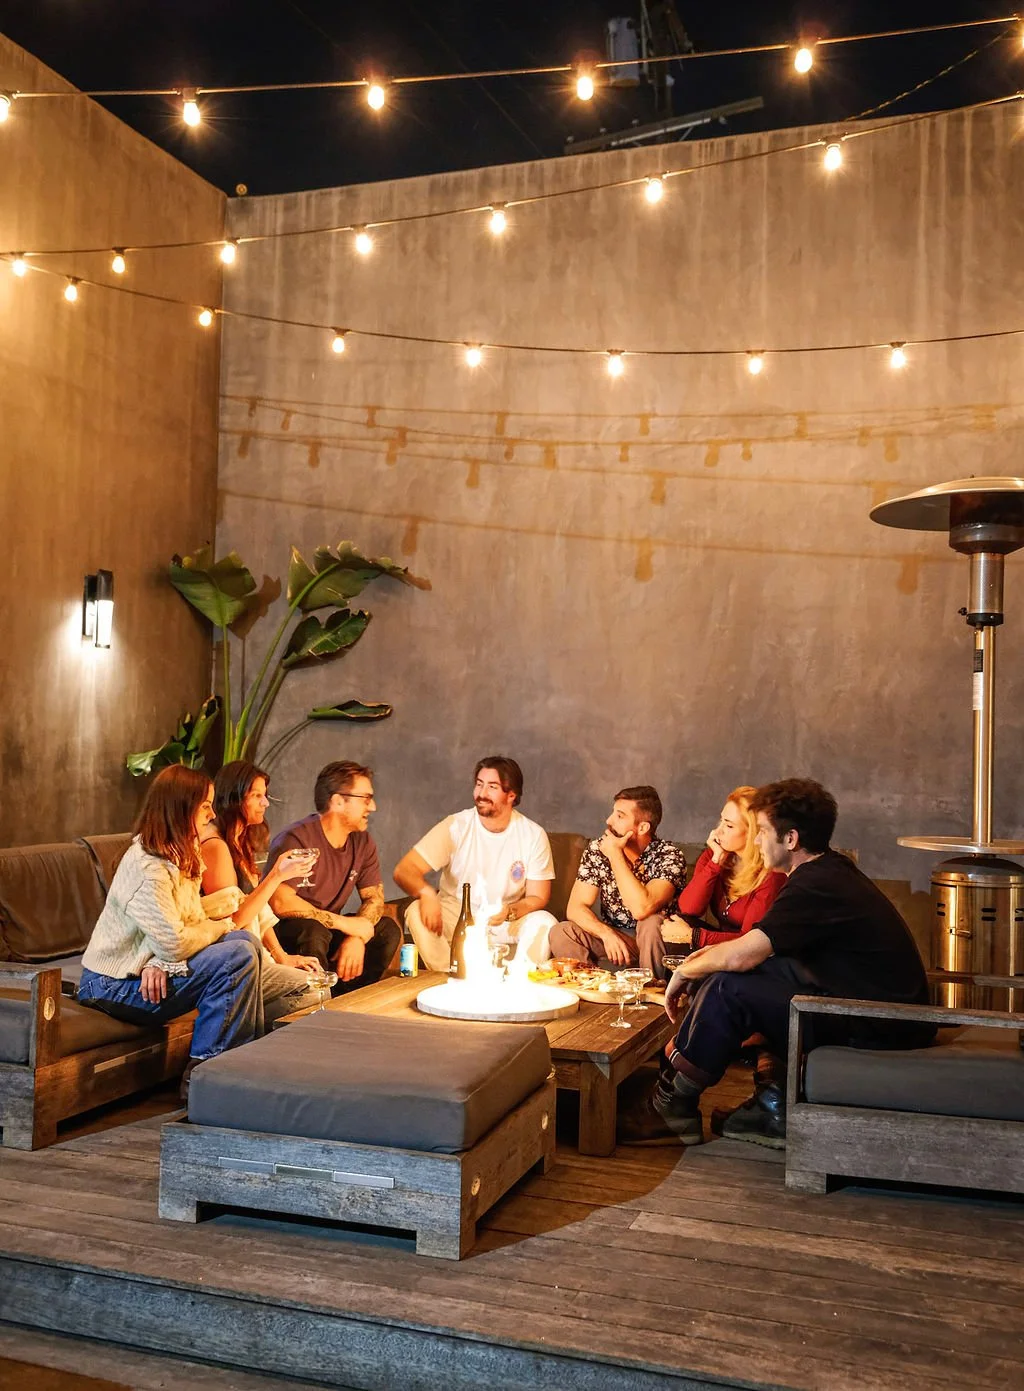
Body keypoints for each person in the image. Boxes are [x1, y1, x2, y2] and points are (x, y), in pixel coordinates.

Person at [619, 779, 935, 1149]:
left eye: (763, 832)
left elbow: (744, 951)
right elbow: (758, 953)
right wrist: (700, 964)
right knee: (746, 975)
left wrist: (688, 970)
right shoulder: (826, 872)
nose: (755, 841)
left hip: (880, 1024)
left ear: (791, 839)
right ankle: (772, 1106)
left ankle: (671, 1109)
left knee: (730, 987)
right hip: (865, 1006)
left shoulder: (815, 885)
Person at [77, 766, 263, 1098]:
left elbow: (185, 923)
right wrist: (212, 929)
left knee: (244, 941)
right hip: (111, 986)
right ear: (181, 807)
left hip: (142, 971)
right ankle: (204, 1077)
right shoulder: (149, 866)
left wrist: (159, 962)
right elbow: (175, 941)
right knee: (236, 952)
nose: (212, 812)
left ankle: (233, 1066)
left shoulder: (180, 854)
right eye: (204, 805)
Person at [394, 756, 557, 972]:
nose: (481, 794)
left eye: (492, 787)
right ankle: (447, 978)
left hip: (504, 920)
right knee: (416, 911)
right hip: (456, 915)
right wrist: (426, 893)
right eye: (479, 784)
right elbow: (405, 870)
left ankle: (520, 983)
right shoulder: (456, 826)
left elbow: (538, 896)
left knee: (544, 921)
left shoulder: (533, 835)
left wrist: (509, 911)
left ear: (511, 795)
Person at [199, 760, 322, 1024]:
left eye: (264, 795)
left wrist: (282, 956)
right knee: (314, 988)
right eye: (256, 796)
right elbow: (233, 924)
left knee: (315, 980)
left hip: (256, 957)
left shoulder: (237, 842)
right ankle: (243, 1037)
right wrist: (277, 876)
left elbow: (260, 911)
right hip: (231, 963)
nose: (265, 803)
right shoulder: (215, 847)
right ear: (233, 798)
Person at [266, 760, 402, 993]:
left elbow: (374, 899)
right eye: (366, 798)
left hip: (326, 935)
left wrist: (356, 937)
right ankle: (312, 1005)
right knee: (312, 930)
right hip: (287, 938)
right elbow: (280, 902)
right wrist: (346, 924)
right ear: (338, 801)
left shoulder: (362, 841)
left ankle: (345, 999)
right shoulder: (297, 839)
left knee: (386, 929)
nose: (373, 807)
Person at [547, 786, 687, 978]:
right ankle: (596, 989)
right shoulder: (598, 849)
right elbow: (575, 908)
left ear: (643, 827)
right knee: (561, 932)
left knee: (650, 923)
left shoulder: (668, 855)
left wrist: (615, 855)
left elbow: (642, 909)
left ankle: (652, 994)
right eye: (613, 813)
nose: (609, 821)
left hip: (657, 941)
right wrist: (606, 934)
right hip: (618, 937)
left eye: (620, 816)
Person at [663, 785, 785, 956]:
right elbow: (689, 909)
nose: (717, 831)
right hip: (720, 946)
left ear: (752, 833)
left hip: (752, 956)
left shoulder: (772, 874)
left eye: (729, 826)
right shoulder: (714, 855)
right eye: (721, 821)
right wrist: (715, 862)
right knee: (677, 925)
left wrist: (695, 936)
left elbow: (752, 942)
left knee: (683, 935)